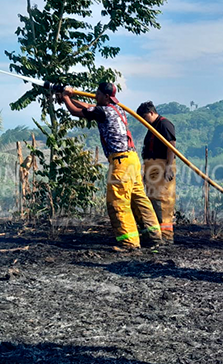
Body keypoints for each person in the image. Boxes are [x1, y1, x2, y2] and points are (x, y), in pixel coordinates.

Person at [56, 82, 162, 250]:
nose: (95, 96)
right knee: (139, 199)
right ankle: (153, 236)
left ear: (105, 96)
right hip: (132, 160)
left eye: (97, 94)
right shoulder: (117, 109)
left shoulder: (103, 111)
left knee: (118, 202)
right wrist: (70, 97)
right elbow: (88, 106)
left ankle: (129, 243)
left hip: (121, 162)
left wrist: (67, 97)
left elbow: (77, 111)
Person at [138, 101, 177, 242]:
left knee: (163, 201)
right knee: (152, 199)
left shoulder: (164, 124)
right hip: (151, 167)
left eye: (144, 117)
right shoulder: (152, 127)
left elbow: (171, 146)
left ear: (152, 113)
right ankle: (155, 234)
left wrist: (168, 167)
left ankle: (166, 236)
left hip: (162, 166)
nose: (143, 120)